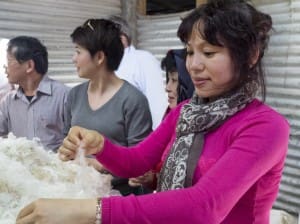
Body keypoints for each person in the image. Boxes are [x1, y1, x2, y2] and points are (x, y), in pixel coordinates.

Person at [16, 1, 290, 223]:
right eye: (190, 52)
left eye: (208, 53)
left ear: (251, 55)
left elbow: (205, 206)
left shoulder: (265, 127)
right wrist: (99, 144)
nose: (193, 65)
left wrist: (91, 210)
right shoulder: (186, 112)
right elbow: (138, 160)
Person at [64, 19, 152, 195]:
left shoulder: (133, 100)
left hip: (120, 199)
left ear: (99, 57)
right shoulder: (74, 95)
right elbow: (66, 143)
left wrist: (93, 164)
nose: (74, 59)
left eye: (78, 52)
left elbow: (141, 163)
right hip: (79, 194)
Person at [128, 48, 194, 190]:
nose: (167, 88)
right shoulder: (171, 116)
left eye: (175, 80)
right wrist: (149, 178)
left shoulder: (202, 124)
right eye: (168, 79)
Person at [0, 36, 69, 151]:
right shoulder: (8, 102)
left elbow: (78, 143)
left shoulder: (64, 96)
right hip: (20, 168)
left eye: (9, 61)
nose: (5, 68)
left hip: (55, 168)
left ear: (29, 66)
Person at [109, 15, 168, 130]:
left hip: (139, 138)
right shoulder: (107, 63)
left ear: (122, 38)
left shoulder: (143, 60)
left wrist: (157, 142)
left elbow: (157, 105)